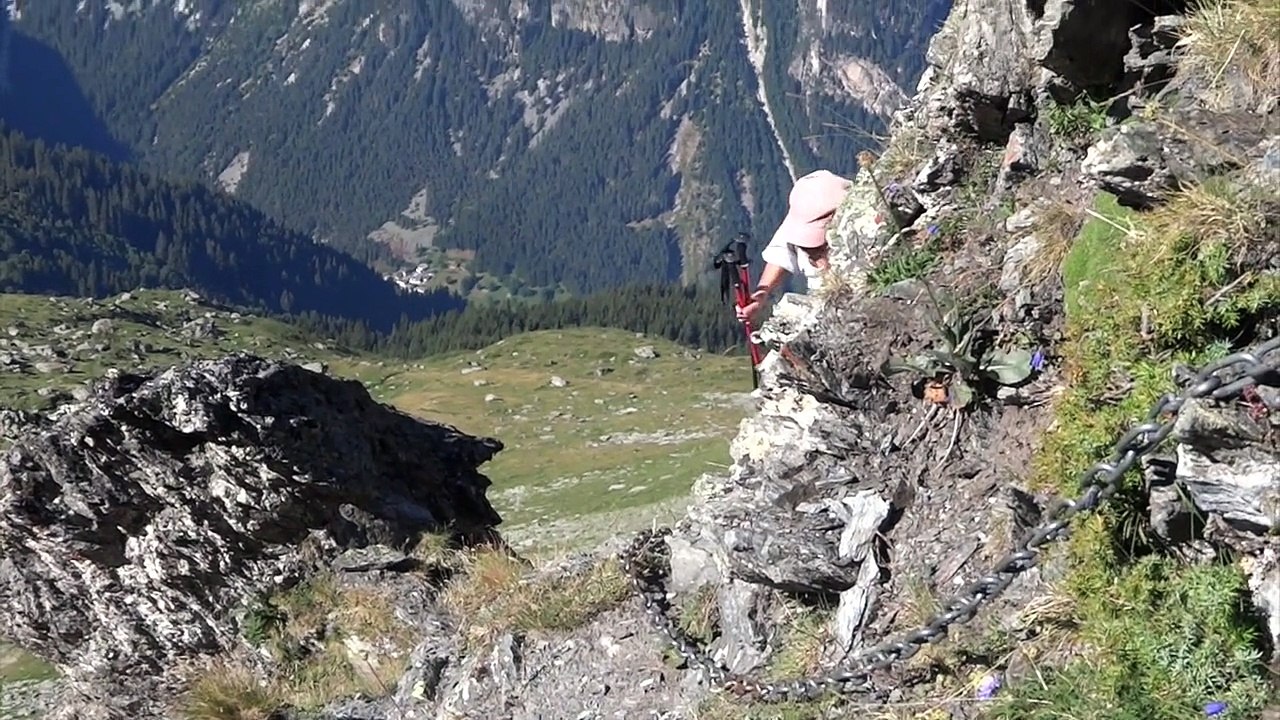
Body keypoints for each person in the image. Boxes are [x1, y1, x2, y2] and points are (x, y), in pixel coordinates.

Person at [735, 169, 852, 325]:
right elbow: (781, 251)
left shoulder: (861, 232)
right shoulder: (802, 216)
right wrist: (761, 295)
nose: (809, 251)